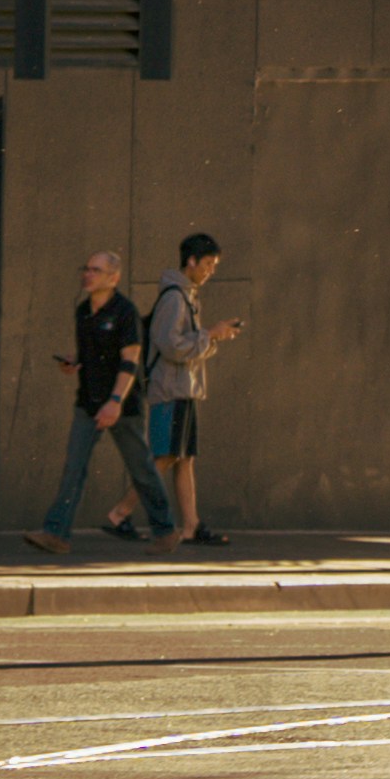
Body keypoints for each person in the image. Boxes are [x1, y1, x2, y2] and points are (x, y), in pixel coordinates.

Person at [24, 250, 165, 553]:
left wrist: (115, 401)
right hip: (88, 402)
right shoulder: (83, 311)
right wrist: (73, 362)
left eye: (96, 270)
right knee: (74, 467)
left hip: (122, 405)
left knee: (140, 467)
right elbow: (90, 353)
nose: (88, 275)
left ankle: (165, 530)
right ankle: (57, 533)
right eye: (86, 268)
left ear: (113, 278)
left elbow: (130, 361)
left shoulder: (125, 313)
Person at [143, 235, 244, 548]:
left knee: (183, 459)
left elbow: (187, 345)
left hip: (184, 389)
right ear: (191, 262)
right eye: (208, 264)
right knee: (166, 457)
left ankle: (191, 525)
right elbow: (171, 345)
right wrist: (209, 334)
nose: (210, 271)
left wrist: (212, 336)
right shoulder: (175, 298)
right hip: (173, 389)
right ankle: (121, 512)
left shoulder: (186, 296)